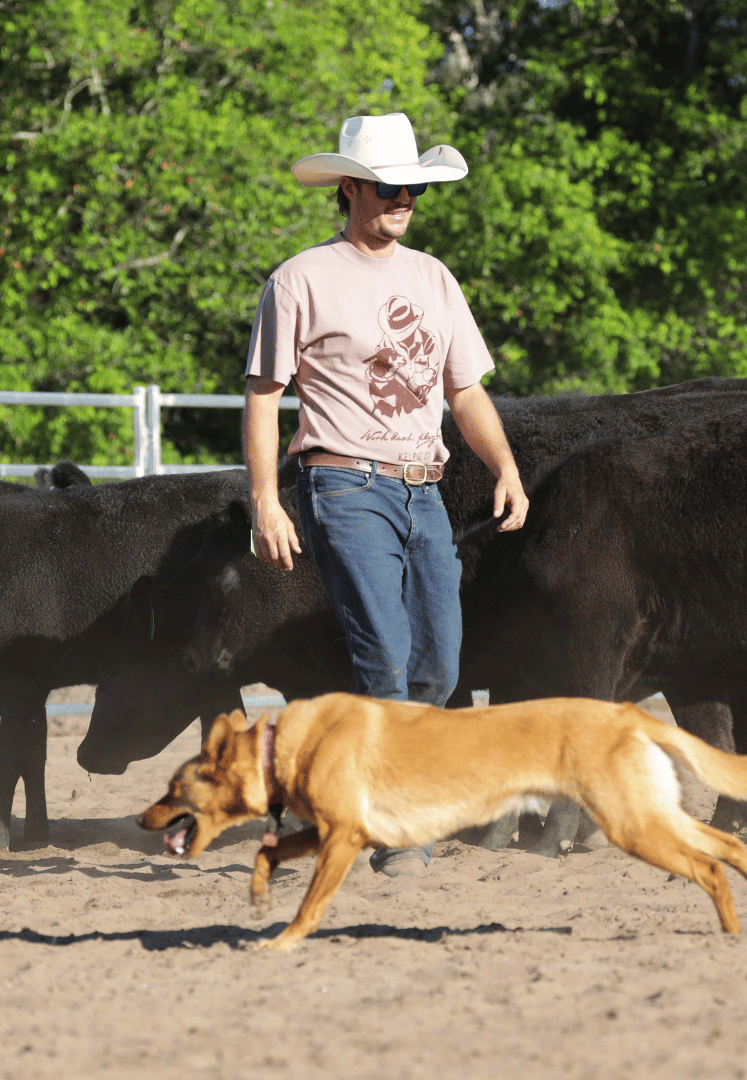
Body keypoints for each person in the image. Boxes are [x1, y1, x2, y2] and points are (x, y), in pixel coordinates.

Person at [243, 112, 528, 876]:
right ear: (349, 189)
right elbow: (265, 396)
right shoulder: (299, 279)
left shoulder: (434, 277)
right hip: (341, 482)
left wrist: (504, 466)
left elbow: (464, 390)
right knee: (387, 661)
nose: (404, 199)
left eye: (413, 188)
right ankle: (400, 834)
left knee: (440, 664)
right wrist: (267, 501)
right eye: (390, 186)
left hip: (423, 489)